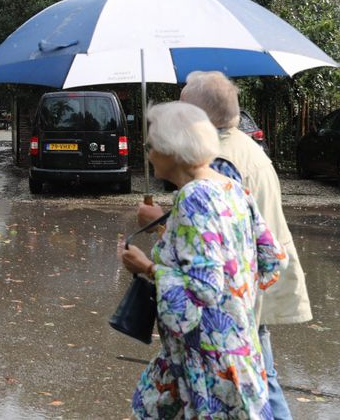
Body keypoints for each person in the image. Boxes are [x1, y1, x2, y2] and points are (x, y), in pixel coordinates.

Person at [119, 101, 285, 419]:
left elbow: (203, 289)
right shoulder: (233, 189)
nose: (148, 152)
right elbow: (271, 258)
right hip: (239, 348)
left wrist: (147, 268)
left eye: (151, 144)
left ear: (172, 149)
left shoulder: (193, 198)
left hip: (210, 365)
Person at [178, 70, 311, 419]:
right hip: (250, 281)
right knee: (262, 377)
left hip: (236, 292)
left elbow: (217, 234)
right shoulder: (241, 146)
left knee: (259, 382)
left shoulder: (222, 161)